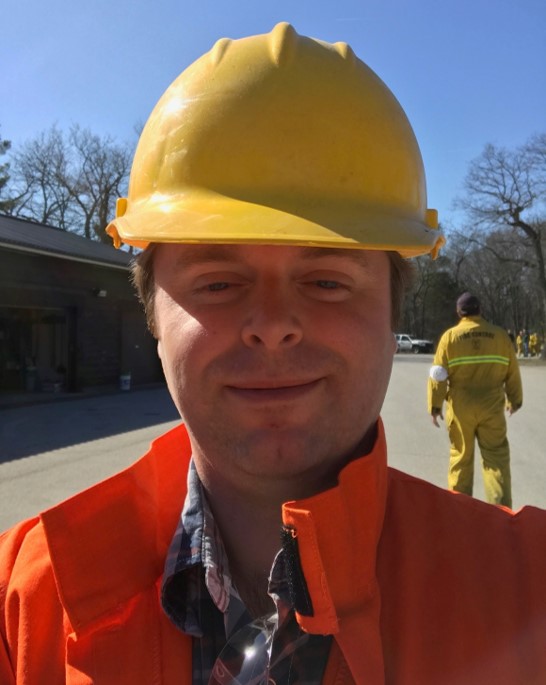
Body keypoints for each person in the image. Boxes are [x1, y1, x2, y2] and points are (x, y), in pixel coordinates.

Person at [1, 24, 546, 685]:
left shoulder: (528, 586)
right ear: (153, 315)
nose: (272, 326)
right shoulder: (26, 601)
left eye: (325, 281)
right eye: (219, 283)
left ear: (392, 310)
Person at [428, 292, 522, 508]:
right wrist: (515, 399)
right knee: (496, 458)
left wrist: (435, 405)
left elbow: (438, 374)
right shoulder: (500, 336)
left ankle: (460, 513)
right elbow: (512, 371)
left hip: (461, 407)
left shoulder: (449, 337)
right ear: (481, 310)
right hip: (491, 406)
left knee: (461, 458)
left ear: (459, 312)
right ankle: (501, 513)